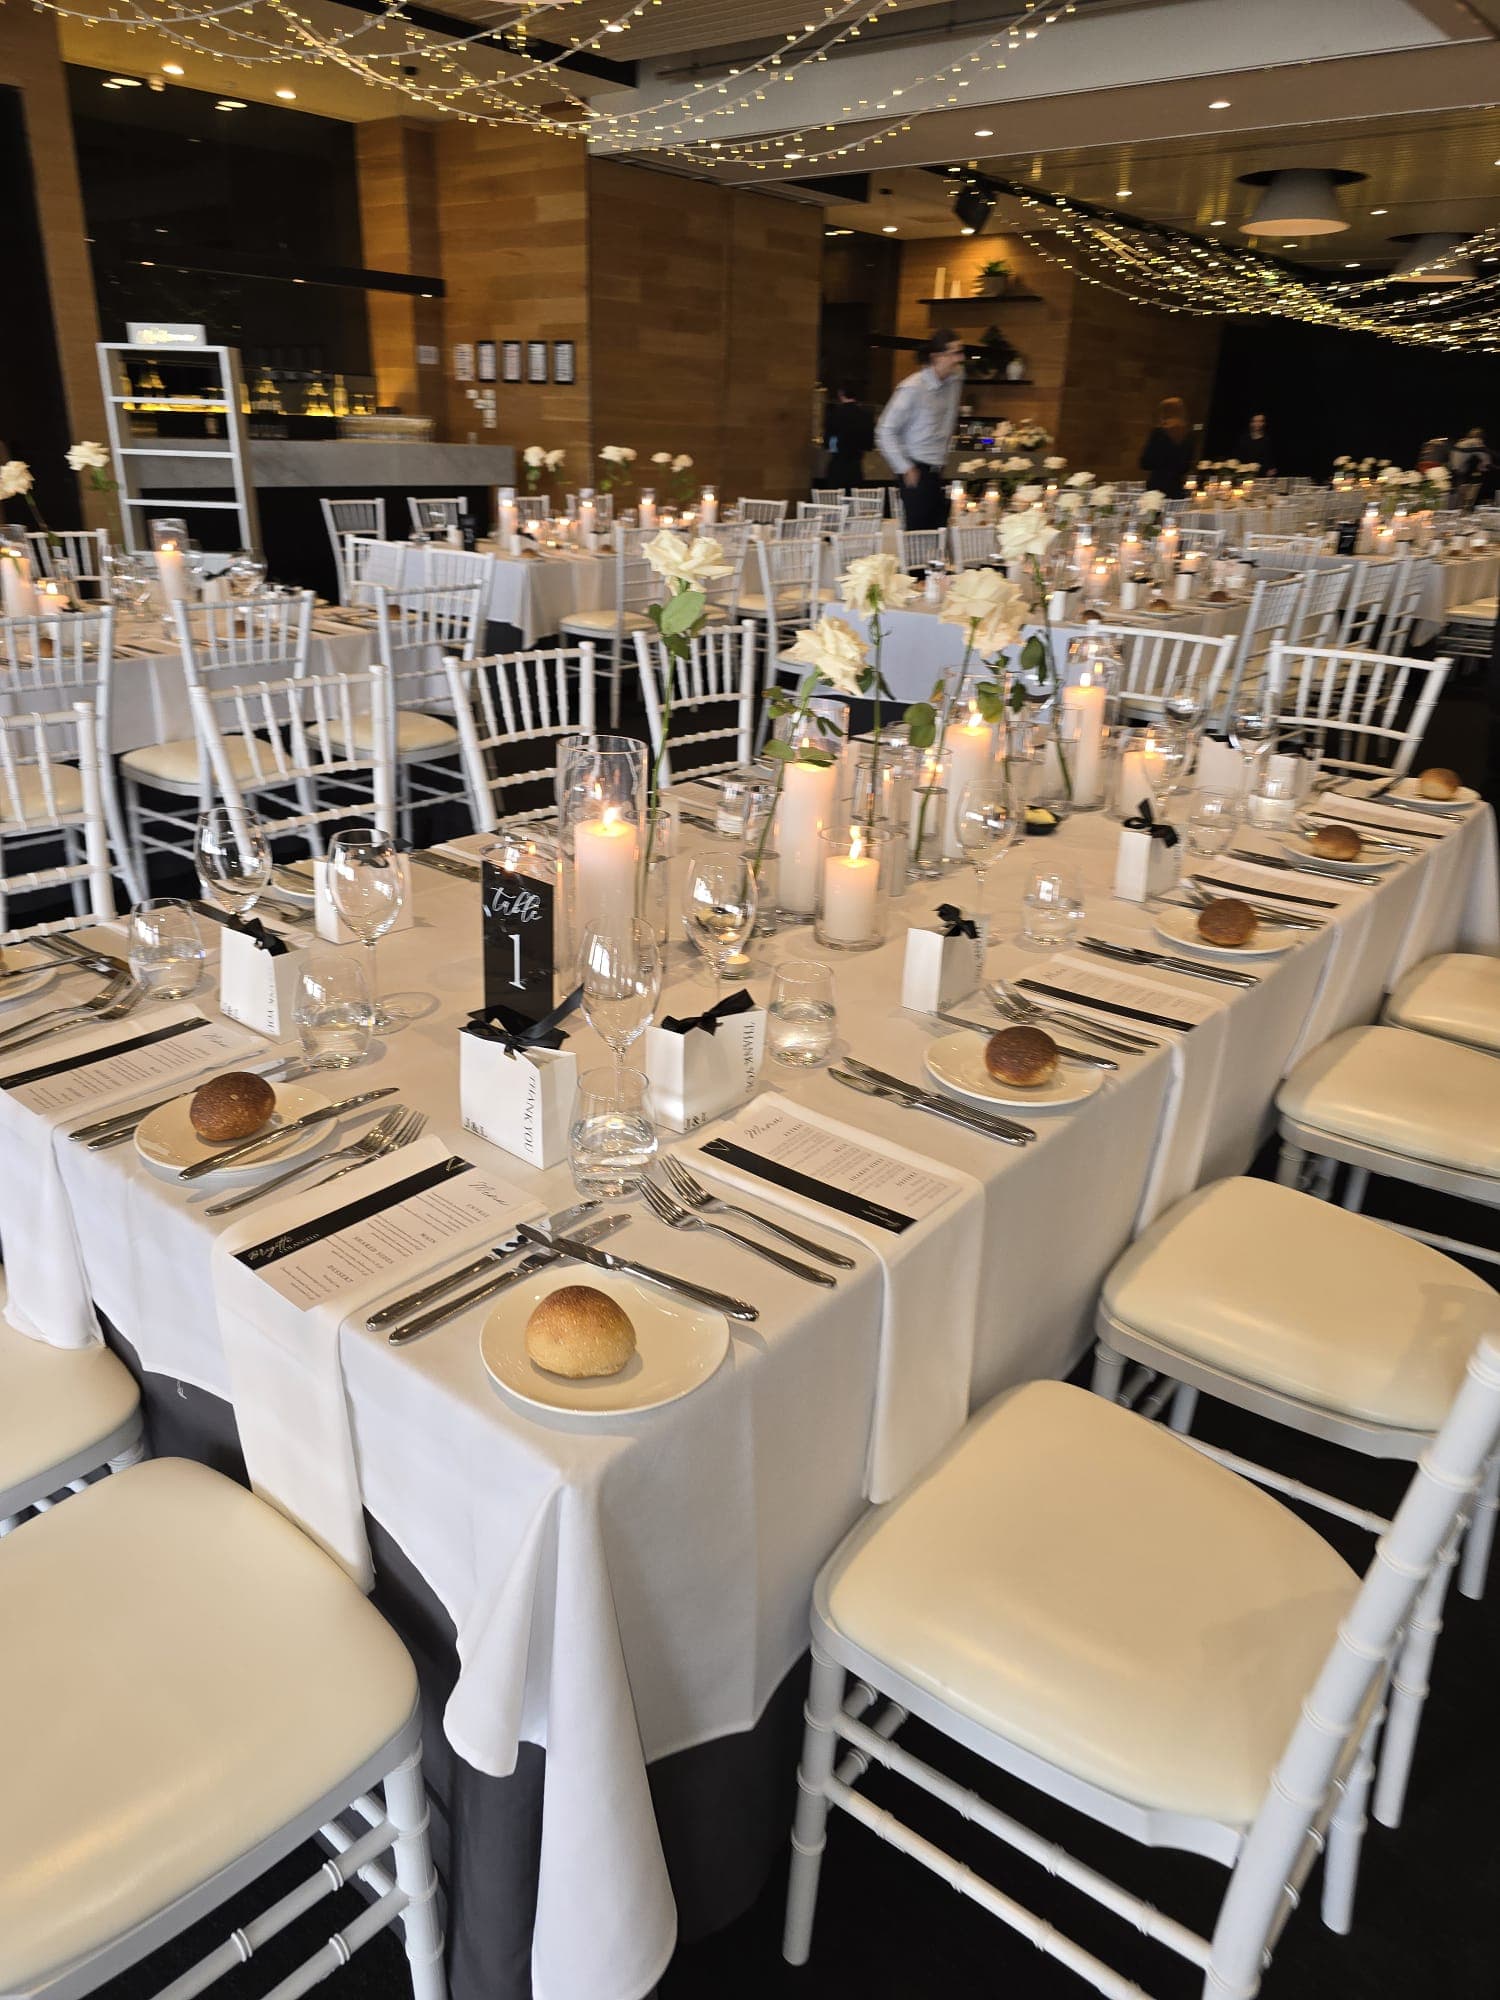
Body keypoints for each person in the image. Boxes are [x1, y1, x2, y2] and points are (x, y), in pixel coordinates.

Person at [875, 329, 965, 531]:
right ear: (936, 357)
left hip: (938, 469)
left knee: (938, 534)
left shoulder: (955, 381)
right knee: (918, 536)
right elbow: (884, 430)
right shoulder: (913, 388)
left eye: (960, 352)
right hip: (916, 469)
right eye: (954, 353)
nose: (960, 358)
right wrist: (905, 467)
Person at [822, 384, 876, 492]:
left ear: (841, 395)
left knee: (837, 497)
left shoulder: (834, 414)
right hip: (855, 464)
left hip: (838, 462)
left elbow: (828, 440)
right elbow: (869, 444)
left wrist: (834, 447)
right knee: (854, 497)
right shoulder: (865, 415)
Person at [1139, 396, 1193, 499]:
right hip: (1176, 489)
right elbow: (1185, 467)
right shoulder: (1188, 435)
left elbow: (1145, 463)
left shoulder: (1159, 433)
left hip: (1156, 490)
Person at [1451, 426, 1490, 507]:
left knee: (1460, 497)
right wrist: (1484, 467)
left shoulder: (1462, 441)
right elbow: (1485, 458)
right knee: (1469, 496)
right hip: (1463, 472)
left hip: (1454, 470)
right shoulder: (1477, 441)